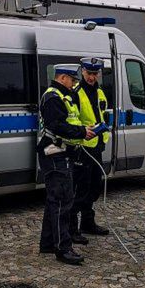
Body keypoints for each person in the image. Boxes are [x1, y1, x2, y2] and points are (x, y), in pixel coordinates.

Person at [37, 64, 96, 265]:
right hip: (54, 153)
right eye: (72, 80)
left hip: (60, 152)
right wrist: (81, 132)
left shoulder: (61, 95)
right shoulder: (53, 97)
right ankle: (63, 248)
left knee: (54, 200)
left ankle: (47, 243)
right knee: (63, 201)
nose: (74, 84)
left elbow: (68, 122)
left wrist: (81, 129)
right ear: (63, 78)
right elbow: (58, 126)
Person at [72, 57, 111, 239]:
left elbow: (102, 115)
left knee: (96, 185)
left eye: (95, 74)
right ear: (82, 71)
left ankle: (88, 222)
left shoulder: (100, 92)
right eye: (89, 73)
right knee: (81, 188)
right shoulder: (76, 92)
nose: (92, 77)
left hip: (96, 145)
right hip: (82, 147)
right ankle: (73, 228)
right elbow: (72, 119)